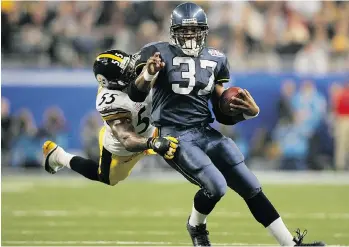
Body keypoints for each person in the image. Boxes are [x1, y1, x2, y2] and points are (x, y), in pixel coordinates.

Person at [128, 2, 325, 246]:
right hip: (175, 136)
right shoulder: (156, 53)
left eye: (195, 30)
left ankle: (290, 244)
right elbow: (135, 94)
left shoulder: (215, 58)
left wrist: (248, 113)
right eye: (184, 30)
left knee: (251, 185)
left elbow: (222, 111)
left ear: (204, 31)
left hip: (205, 132)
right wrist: (147, 74)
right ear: (173, 31)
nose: (190, 35)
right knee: (217, 186)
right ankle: (196, 225)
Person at [42, 49, 178, 186]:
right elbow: (127, 139)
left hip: (149, 128)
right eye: (127, 71)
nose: (132, 70)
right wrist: (153, 143)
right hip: (121, 146)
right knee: (106, 178)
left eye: (130, 65)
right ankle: (59, 156)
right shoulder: (111, 100)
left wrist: (149, 72)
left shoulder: (142, 68)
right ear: (114, 82)